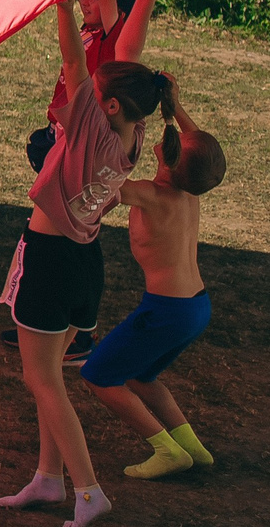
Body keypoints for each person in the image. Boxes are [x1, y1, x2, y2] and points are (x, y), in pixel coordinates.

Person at [0, 0, 167, 527]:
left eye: (97, 89)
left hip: (50, 260)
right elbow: (126, 67)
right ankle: (49, 476)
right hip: (85, 262)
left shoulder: (92, 128)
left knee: (41, 378)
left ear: (108, 105)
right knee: (52, 376)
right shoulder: (133, 135)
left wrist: (64, 9)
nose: (86, 87)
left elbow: (73, 62)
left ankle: (89, 491)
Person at [82, 84, 224, 480]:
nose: (175, 134)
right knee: (142, 377)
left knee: (98, 375)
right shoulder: (192, 186)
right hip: (195, 306)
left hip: (165, 311)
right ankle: (193, 450)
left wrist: (96, 128)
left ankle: (166, 449)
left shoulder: (150, 194)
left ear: (174, 157)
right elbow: (202, 151)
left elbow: (104, 177)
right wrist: (175, 106)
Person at [27, 0, 166, 170]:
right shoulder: (92, 24)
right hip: (58, 130)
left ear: (119, 13)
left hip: (78, 136)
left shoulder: (111, 38)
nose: (86, 2)